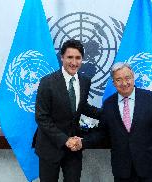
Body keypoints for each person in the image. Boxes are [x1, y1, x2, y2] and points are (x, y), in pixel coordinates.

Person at [77, 62, 152, 182]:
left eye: (127, 78)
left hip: (148, 166)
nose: (124, 83)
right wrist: (83, 142)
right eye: (118, 80)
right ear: (114, 83)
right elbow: (102, 133)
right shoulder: (108, 104)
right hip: (122, 168)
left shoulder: (150, 99)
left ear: (133, 77)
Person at [34, 39, 101, 182]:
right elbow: (42, 118)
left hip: (73, 149)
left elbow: (81, 106)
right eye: (70, 57)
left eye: (78, 58)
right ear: (62, 57)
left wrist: (109, 114)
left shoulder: (85, 81)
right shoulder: (47, 82)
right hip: (50, 147)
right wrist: (65, 140)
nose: (74, 62)